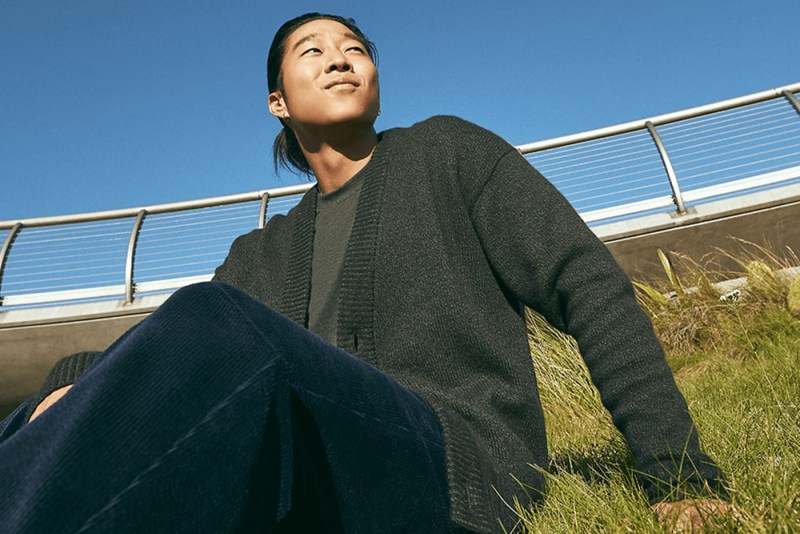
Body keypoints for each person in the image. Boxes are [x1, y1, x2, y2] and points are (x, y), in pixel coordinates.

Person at [1, 12, 734, 533]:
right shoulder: (260, 253)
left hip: (451, 462)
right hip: (312, 472)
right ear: (278, 103)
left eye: (354, 46)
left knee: (211, 317)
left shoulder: (448, 154)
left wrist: (678, 474)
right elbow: (170, 360)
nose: (340, 56)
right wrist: (73, 374)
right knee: (33, 414)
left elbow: (590, 286)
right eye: (312, 50)